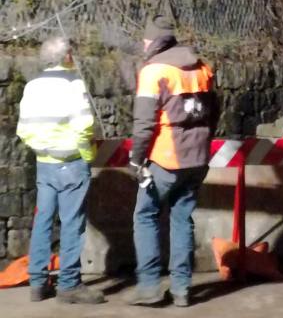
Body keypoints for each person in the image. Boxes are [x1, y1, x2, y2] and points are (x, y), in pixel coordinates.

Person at [127, 15, 218, 307]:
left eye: (145, 39)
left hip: (167, 158)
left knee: (146, 215)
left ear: (154, 41)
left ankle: (150, 287)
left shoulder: (154, 72)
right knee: (182, 218)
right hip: (198, 157)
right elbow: (214, 111)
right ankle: (181, 288)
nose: (142, 44)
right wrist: (203, 141)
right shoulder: (203, 67)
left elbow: (144, 123)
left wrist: (137, 159)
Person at [16, 36, 105, 304]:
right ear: (66, 57)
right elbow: (84, 125)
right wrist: (87, 154)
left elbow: (24, 129)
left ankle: (38, 282)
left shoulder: (31, 86)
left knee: (42, 221)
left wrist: (44, 150)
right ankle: (69, 285)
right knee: (72, 222)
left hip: (45, 164)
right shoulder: (73, 84)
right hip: (71, 163)